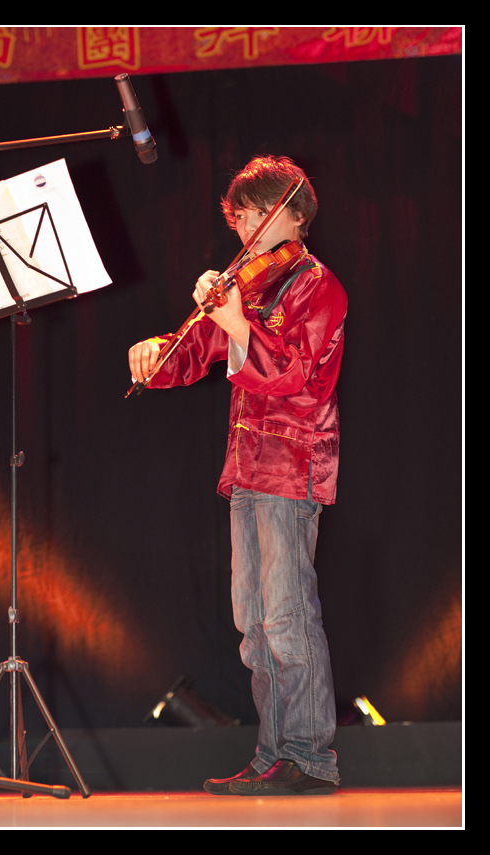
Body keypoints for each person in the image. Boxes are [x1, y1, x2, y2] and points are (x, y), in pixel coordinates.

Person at [128, 155, 348, 796]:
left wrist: (234, 322)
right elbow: (196, 352)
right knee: (252, 622)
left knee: (286, 615)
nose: (242, 224)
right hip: (246, 468)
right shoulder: (249, 286)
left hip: (293, 464)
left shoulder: (318, 286)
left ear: (293, 213)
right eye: (239, 214)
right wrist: (155, 358)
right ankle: (273, 752)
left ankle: (310, 756)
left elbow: (295, 376)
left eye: (253, 211)